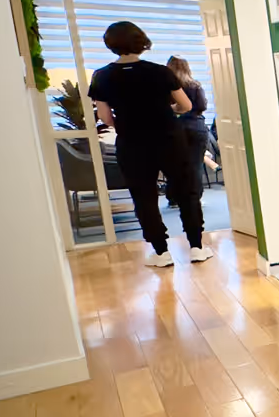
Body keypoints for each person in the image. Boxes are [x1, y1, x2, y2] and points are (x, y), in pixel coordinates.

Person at [88, 22, 209, 267]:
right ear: (141, 41)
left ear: (110, 44)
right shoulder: (160, 72)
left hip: (132, 144)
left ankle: (161, 252)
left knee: (144, 197)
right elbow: (185, 106)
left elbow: (105, 117)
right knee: (187, 192)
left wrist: (127, 119)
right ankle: (196, 247)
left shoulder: (102, 76)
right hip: (169, 140)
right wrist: (167, 110)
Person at [166, 56, 210, 200]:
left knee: (174, 164)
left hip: (174, 127)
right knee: (195, 164)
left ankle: (174, 197)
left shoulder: (166, 86)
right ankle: (195, 198)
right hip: (196, 126)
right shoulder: (195, 85)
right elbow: (202, 106)